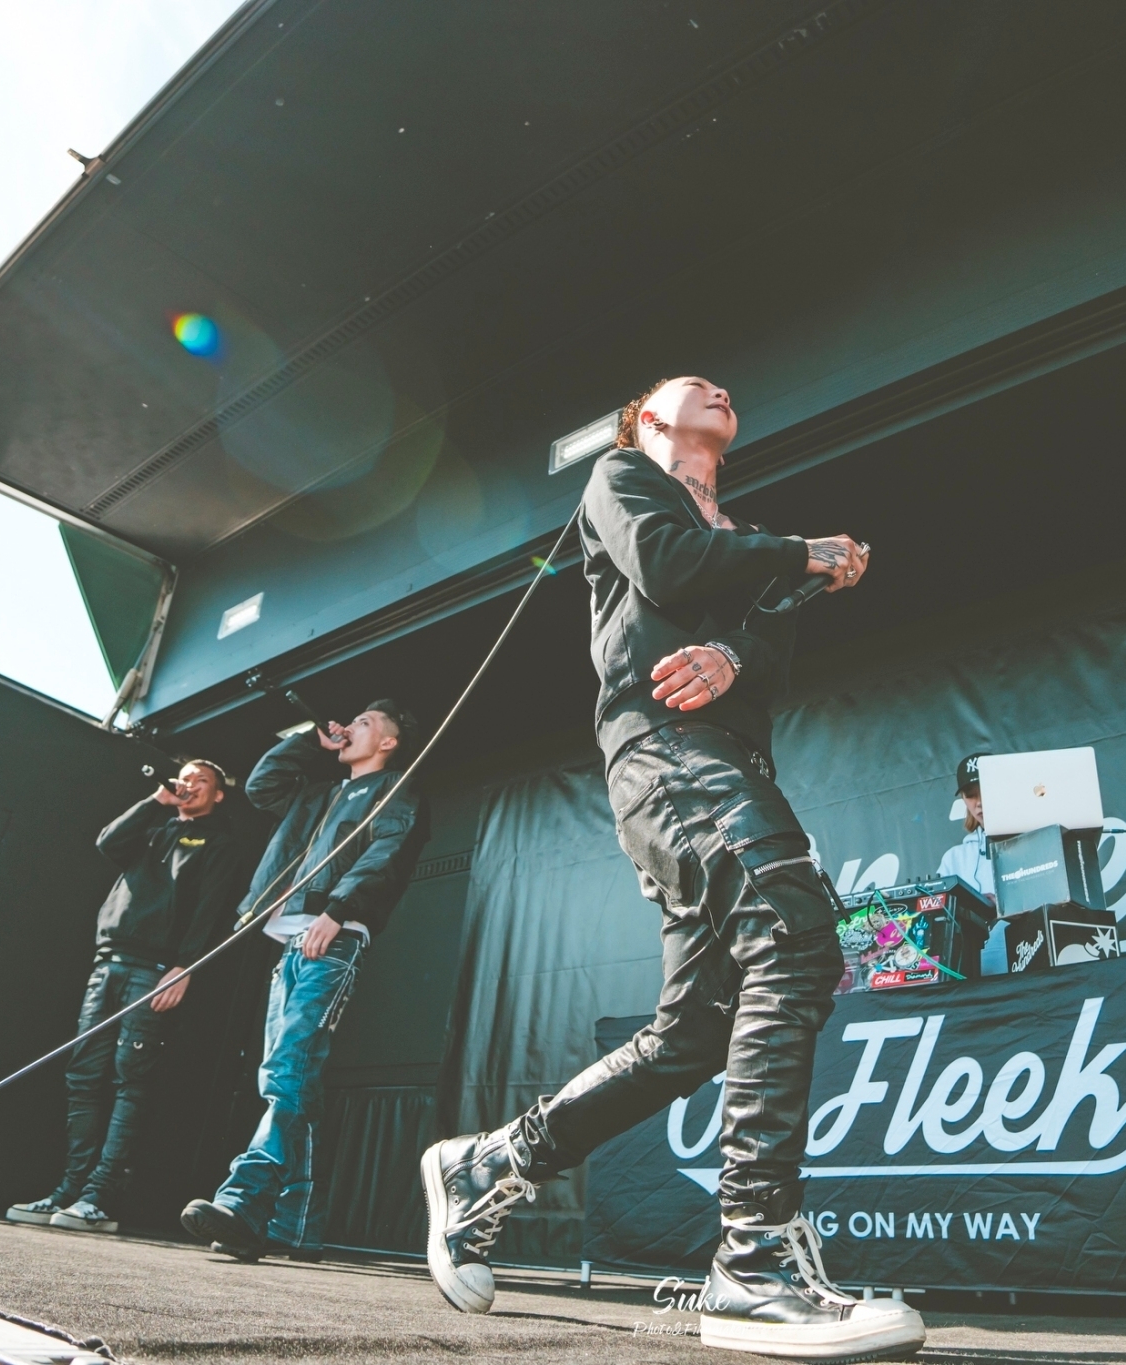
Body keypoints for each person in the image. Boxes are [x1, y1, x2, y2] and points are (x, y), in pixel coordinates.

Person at [420, 376, 924, 1361]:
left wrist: (736, 653)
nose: (718, 386)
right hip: (664, 753)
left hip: (728, 758)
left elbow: (769, 645)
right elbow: (664, 561)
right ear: (650, 420)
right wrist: (802, 554)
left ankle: (488, 1165)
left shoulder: (747, 538)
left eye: (723, 387)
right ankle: (753, 1265)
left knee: (691, 1034)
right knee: (792, 936)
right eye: (693, 385)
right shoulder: (623, 478)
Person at [178, 701, 429, 1262]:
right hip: (291, 942)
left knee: (286, 1069)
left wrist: (339, 910)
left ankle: (244, 1200)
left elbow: (386, 853)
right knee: (297, 1082)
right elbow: (261, 787)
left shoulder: (395, 791)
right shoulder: (317, 795)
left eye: (365, 723)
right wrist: (309, 742)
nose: (352, 726)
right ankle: (296, 1225)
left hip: (332, 939)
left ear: (388, 742)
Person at [6, 759, 249, 1235]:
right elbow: (108, 842)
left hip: (155, 970)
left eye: (201, 780)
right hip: (108, 962)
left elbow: (211, 908)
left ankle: (99, 1197)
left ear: (219, 795)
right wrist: (156, 801)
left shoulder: (219, 843)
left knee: (129, 1079)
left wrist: (184, 967)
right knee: (83, 1075)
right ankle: (69, 1189)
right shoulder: (152, 829)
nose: (190, 784)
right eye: (185, 778)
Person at [936, 751, 1004, 974]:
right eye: (971, 795)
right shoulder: (954, 858)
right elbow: (939, 917)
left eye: (986, 790)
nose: (980, 802)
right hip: (969, 975)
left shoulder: (1037, 841)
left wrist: (1003, 906)